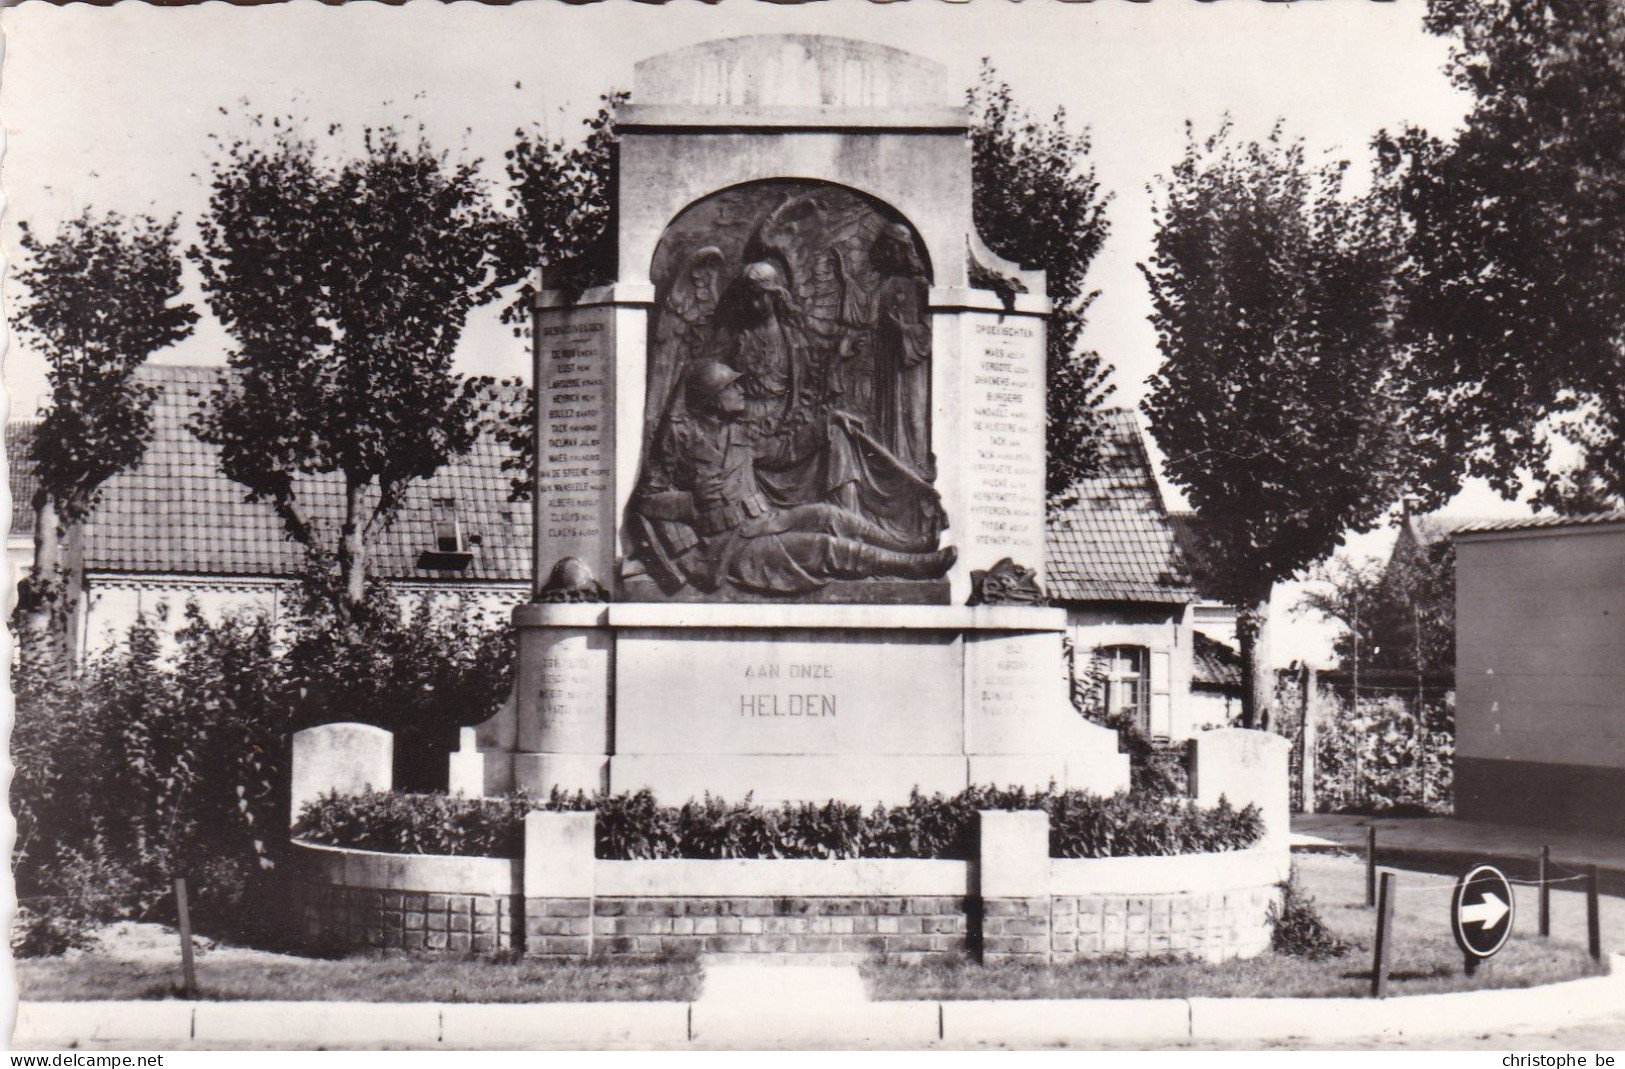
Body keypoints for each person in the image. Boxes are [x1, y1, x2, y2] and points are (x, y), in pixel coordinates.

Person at [634, 361, 955, 596]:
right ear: (713, 398)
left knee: (828, 515)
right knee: (822, 546)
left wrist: (827, 422)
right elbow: (648, 500)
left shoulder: (739, 432)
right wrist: (691, 501)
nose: (741, 390)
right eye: (732, 387)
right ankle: (906, 566)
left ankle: (908, 547)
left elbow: (782, 451)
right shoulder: (681, 438)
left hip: (765, 521)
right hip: (728, 545)